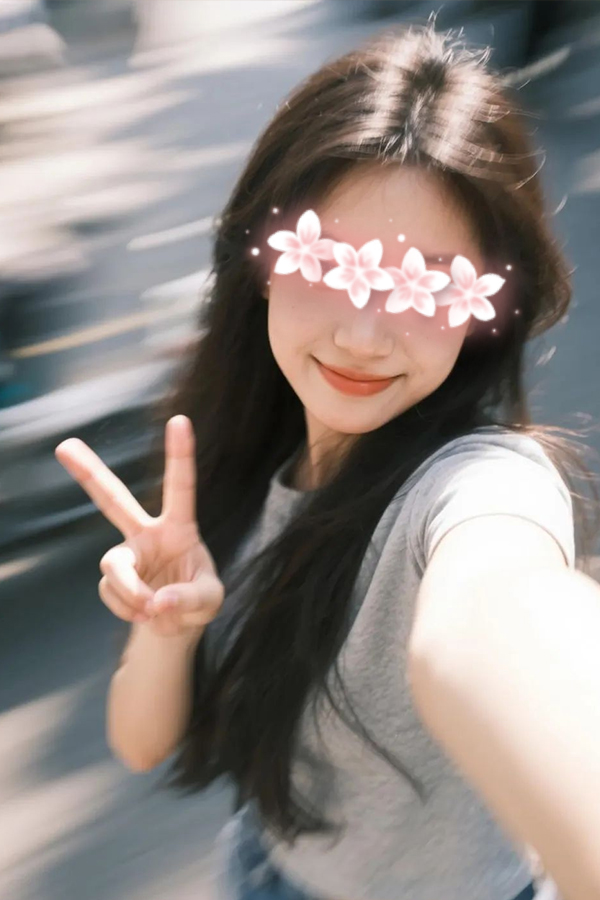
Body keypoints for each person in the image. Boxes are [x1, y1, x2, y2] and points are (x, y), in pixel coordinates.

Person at [54, 20, 600, 900]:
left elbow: (493, 613)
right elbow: (143, 742)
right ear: (263, 262)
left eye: (429, 284)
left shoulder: (479, 485)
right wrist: (169, 627)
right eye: (330, 263)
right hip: (262, 869)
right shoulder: (237, 454)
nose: (364, 334)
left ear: (483, 312)